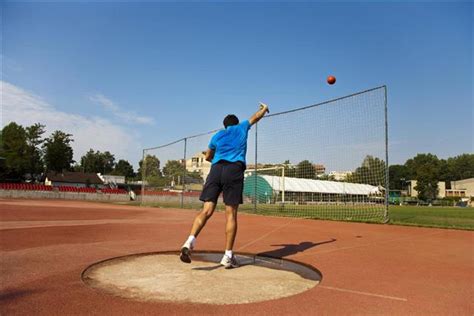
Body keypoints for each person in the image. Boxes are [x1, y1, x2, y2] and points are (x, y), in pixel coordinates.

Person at [180, 102, 270, 268]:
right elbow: (255, 117)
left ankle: (189, 241)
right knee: (231, 214)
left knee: (206, 210)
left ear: (224, 125)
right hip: (233, 169)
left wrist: (213, 158)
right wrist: (264, 109)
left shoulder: (217, 136)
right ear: (235, 123)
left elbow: (208, 156)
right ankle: (228, 256)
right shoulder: (241, 127)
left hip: (216, 169)